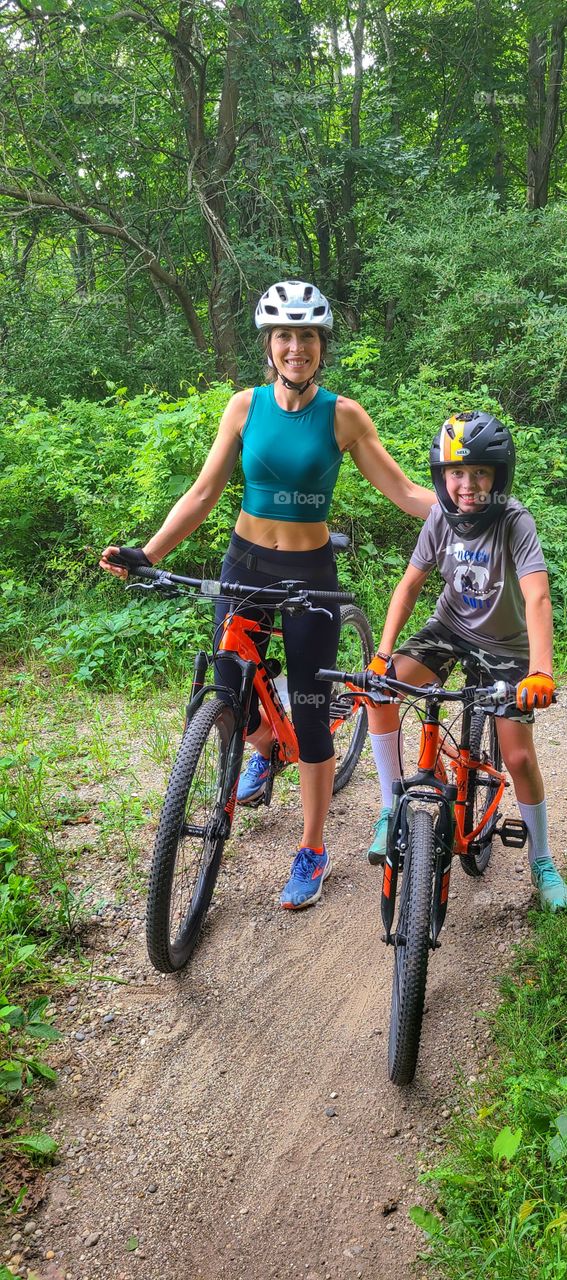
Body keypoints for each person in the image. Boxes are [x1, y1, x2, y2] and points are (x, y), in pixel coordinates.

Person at [100, 280, 435, 910]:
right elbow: (202, 495)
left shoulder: (344, 415)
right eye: (284, 335)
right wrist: (150, 552)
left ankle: (312, 847)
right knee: (233, 691)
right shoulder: (242, 407)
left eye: (307, 336)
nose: (295, 347)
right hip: (245, 562)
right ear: (269, 344)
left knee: (309, 712)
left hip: (310, 573)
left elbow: (404, 491)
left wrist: (472, 511)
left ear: (320, 345)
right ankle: (260, 749)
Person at [364, 410, 567, 911]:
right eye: (456, 473)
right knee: (380, 691)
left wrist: (541, 670)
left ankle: (542, 861)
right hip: (449, 630)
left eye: (480, 473)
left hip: (507, 646)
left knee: (518, 756)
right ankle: (391, 808)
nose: (467, 485)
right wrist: (382, 654)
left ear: (499, 477)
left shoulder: (514, 520)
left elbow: (538, 598)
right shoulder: (439, 517)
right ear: (442, 476)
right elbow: (410, 585)